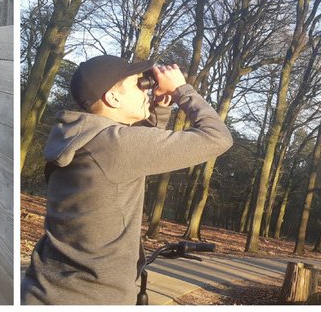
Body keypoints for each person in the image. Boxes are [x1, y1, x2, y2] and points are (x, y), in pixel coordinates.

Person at [22, 57, 233, 305]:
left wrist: (159, 108)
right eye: (138, 85)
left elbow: (138, 150)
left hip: (47, 287)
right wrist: (181, 91)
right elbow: (218, 138)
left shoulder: (78, 137)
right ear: (113, 98)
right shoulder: (115, 145)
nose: (146, 90)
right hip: (91, 298)